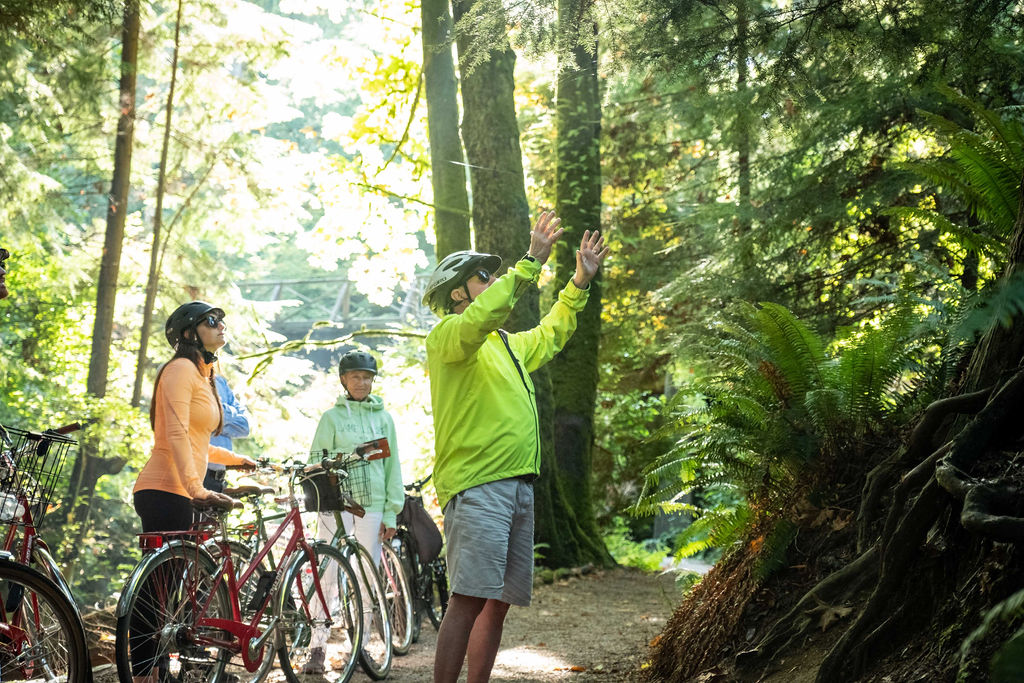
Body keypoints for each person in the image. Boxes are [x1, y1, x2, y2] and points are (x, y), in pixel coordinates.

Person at [422, 211, 610, 683]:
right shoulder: (448, 337)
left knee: (498, 602)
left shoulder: (505, 345)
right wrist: (530, 263)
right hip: (477, 485)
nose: (491, 281)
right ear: (457, 292)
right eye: (482, 276)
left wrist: (579, 284)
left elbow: (551, 334)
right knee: (466, 598)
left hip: (519, 486)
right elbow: (484, 316)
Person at [129, 300, 255, 682]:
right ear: (188, 334)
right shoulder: (180, 370)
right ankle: (145, 672)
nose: (221, 327)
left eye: (221, 321)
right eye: (211, 322)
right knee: (157, 590)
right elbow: (175, 435)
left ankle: (159, 669)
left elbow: (199, 441)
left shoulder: (203, 376)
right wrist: (196, 487)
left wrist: (239, 462)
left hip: (181, 490)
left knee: (168, 591)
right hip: (164, 489)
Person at [305, 349, 404, 674]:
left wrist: (391, 512)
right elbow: (315, 461)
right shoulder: (331, 418)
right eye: (356, 377)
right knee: (329, 574)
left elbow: (393, 469)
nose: (362, 382)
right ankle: (316, 647)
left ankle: (359, 649)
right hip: (335, 506)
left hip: (372, 507)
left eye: (367, 377)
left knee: (365, 574)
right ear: (344, 380)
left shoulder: (384, 418)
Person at [203, 372, 252, 493]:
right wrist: (231, 414)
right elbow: (204, 418)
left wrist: (216, 422)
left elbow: (244, 426)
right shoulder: (192, 378)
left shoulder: (220, 382)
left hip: (219, 477)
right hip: (198, 474)